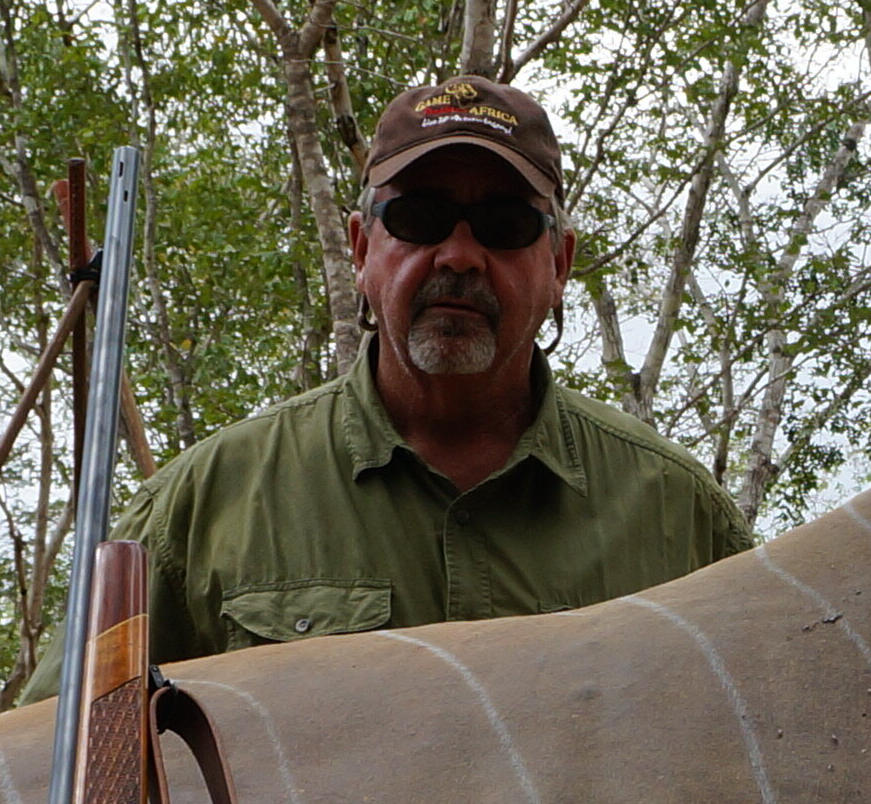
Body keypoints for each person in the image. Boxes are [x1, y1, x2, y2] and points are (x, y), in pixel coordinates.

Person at [107, 75, 753, 668]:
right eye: (420, 218)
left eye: (504, 224)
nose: (461, 255)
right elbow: (47, 764)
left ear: (559, 265)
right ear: (361, 250)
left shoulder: (684, 521)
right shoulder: (193, 517)